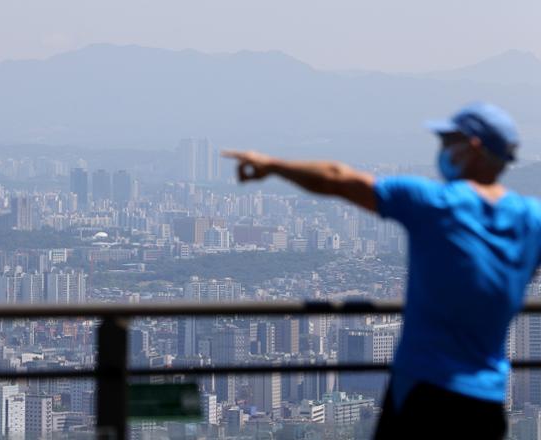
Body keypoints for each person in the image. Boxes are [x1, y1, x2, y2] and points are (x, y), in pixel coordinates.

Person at [223, 102, 538, 439]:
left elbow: (339, 180)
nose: (442, 150)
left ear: (472, 147)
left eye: (448, 141)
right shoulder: (531, 219)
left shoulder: (435, 203)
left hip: (424, 389)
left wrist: (273, 166)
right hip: (487, 402)